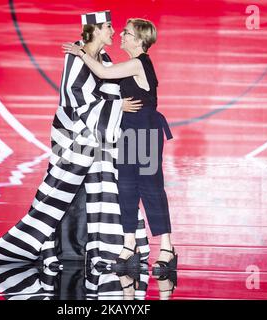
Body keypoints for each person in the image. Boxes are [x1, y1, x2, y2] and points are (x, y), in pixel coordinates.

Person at [0, 10, 151, 270]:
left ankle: (106, 252)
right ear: (94, 29)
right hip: (74, 138)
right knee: (56, 194)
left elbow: (109, 88)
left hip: (97, 141)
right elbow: (74, 100)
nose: (113, 32)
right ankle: (50, 250)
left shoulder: (103, 59)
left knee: (106, 192)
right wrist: (117, 108)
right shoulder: (75, 58)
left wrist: (118, 107)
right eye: (108, 27)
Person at [62, 18, 177, 275]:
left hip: (145, 132)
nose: (121, 36)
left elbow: (102, 73)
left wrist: (81, 51)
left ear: (138, 40)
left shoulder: (138, 63)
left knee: (151, 189)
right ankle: (129, 245)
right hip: (127, 132)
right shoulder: (127, 64)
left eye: (126, 33)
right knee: (126, 189)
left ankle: (167, 249)